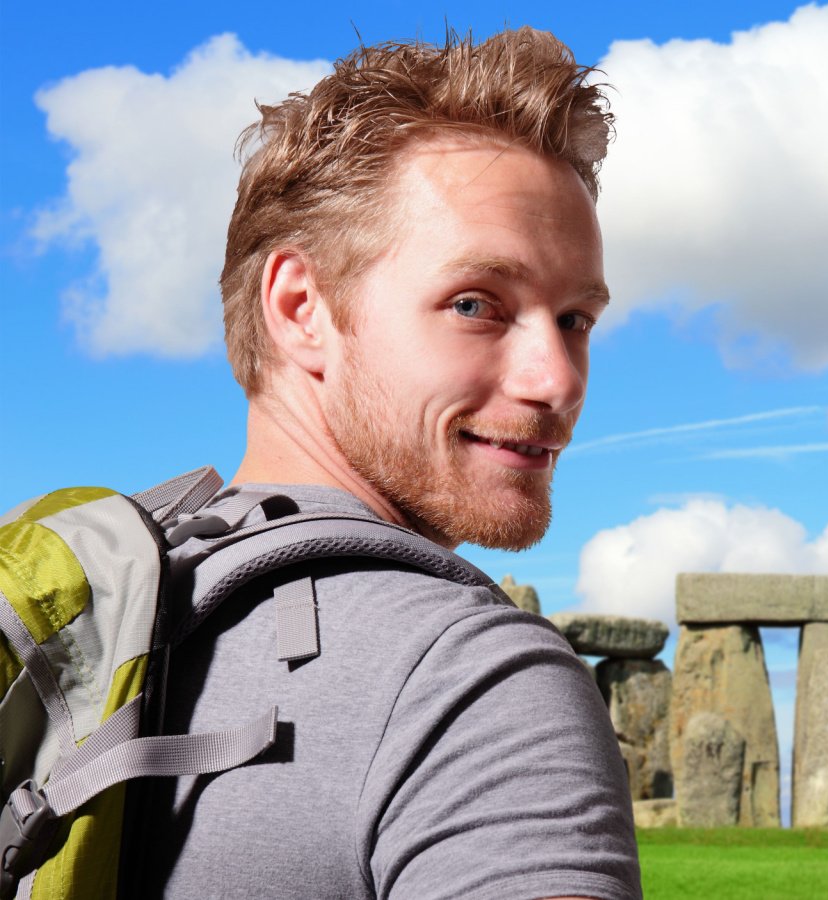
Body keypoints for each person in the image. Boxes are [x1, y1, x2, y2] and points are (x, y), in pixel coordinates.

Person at [133, 28, 641, 899]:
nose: (557, 380)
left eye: (575, 319)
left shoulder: (120, 618)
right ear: (302, 308)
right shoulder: (477, 685)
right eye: (476, 304)